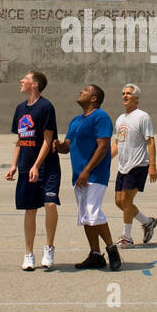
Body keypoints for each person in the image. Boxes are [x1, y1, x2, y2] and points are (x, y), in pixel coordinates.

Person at [55, 84, 120, 271]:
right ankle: (95, 255)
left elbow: (103, 147)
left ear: (93, 98)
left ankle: (112, 249)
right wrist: (57, 145)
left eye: (85, 90)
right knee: (85, 217)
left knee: (92, 213)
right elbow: (66, 147)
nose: (80, 91)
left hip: (95, 174)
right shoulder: (75, 121)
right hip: (79, 176)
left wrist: (87, 170)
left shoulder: (101, 117)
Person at [5, 70, 62, 271]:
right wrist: (14, 165)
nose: (21, 80)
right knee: (30, 210)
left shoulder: (46, 107)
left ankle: (49, 248)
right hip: (25, 167)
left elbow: (48, 140)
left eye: (25, 79)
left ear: (35, 84)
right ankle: (28, 254)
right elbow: (20, 140)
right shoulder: (20, 108)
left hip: (47, 166)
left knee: (50, 205)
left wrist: (37, 165)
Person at [112, 83, 157, 248]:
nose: (125, 96)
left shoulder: (142, 116)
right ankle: (147, 222)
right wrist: (104, 159)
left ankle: (127, 238)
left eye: (129, 94)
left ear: (136, 98)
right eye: (123, 93)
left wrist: (152, 166)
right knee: (119, 202)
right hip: (122, 166)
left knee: (126, 199)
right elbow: (117, 143)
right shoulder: (120, 119)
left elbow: (150, 141)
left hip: (138, 165)